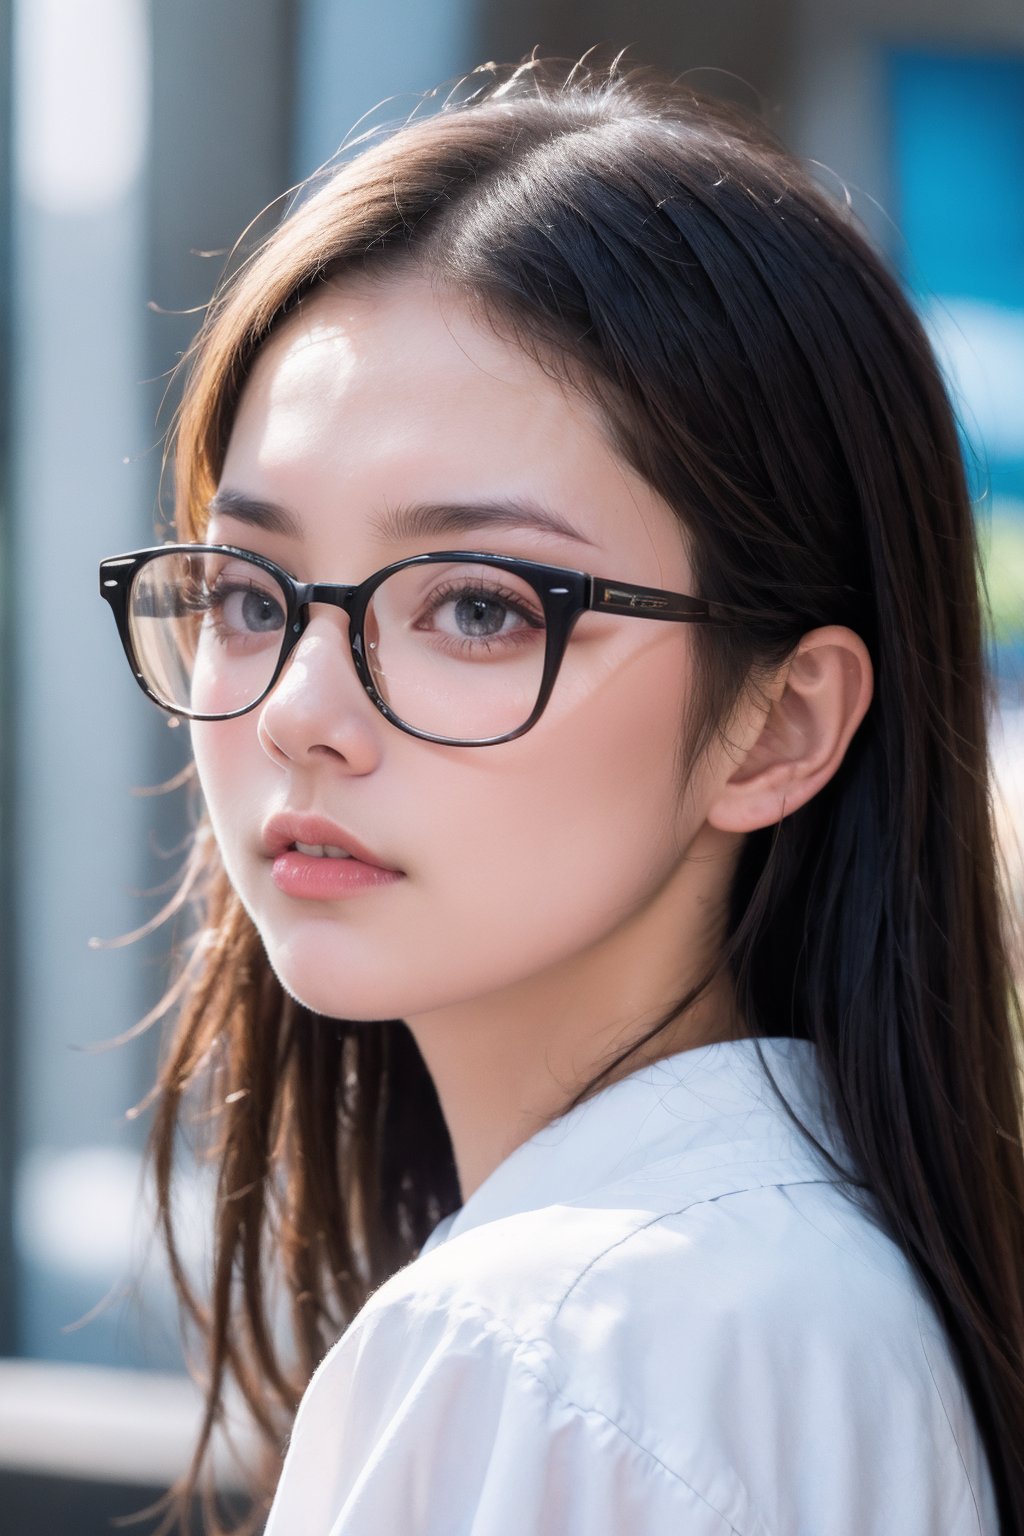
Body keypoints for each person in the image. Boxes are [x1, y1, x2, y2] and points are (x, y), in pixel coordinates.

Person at [98, 56, 1024, 1536]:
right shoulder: (823, 1300)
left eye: (479, 607)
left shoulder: (550, 1349)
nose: (299, 715)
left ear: (778, 725)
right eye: (252, 591)